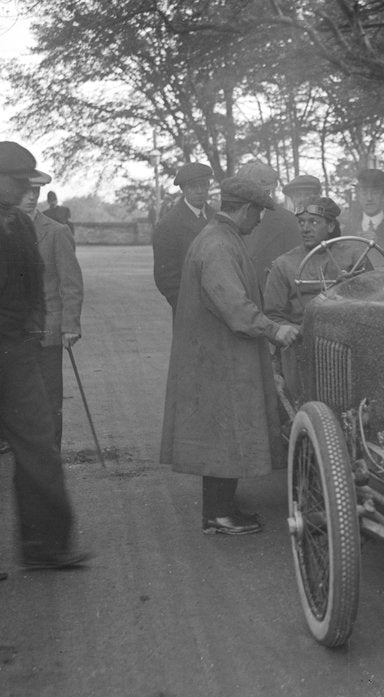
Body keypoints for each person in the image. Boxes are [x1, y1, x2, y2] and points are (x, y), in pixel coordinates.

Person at [160, 177, 300, 536]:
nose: (260, 221)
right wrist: (275, 330)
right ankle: (218, 515)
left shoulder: (218, 237)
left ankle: (221, 510)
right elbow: (234, 307)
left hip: (216, 353)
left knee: (222, 430)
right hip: (219, 356)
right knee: (224, 429)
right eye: (260, 213)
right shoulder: (219, 244)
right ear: (247, 209)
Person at [0, 141, 89, 573]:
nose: (25, 190)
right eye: (18, 182)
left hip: (16, 348)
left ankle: (45, 545)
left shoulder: (18, 224)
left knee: (39, 442)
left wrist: (33, 328)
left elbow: (35, 282)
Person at [18, 170, 84, 449]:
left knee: (48, 397)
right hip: (10, 333)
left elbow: (71, 283)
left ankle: (49, 453)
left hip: (46, 331)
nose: (32, 196)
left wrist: (70, 324)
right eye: (25, 190)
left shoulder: (56, 232)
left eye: (37, 191)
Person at [265, 197, 364, 328]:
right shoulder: (284, 264)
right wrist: (299, 332)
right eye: (301, 222)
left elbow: (376, 300)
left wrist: (352, 287)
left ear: (330, 226)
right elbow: (273, 316)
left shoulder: (354, 257)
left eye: (314, 222)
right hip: (303, 337)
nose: (305, 229)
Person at [152, 162, 214, 315]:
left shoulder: (217, 218)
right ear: (183, 189)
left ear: (208, 186)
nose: (199, 191)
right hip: (188, 309)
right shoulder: (168, 225)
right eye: (193, 187)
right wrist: (185, 304)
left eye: (203, 185)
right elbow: (165, 276)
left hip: (221, 306)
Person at [238, 160, 303, 282]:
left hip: (273, 294)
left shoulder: (288, 221)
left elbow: (296, 266)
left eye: (264, 191)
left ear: (270, 190)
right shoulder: (229, 219)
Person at [345, 168, 384, 255]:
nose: (369, 198)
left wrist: (379, 243)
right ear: (358, 196)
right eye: (364, 193)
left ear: (383, 195)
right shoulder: (348, 229)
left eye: (375, 193)